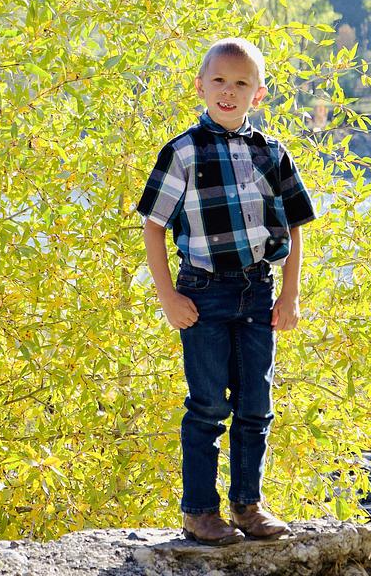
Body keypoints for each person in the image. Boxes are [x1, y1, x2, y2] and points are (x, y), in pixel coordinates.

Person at [137, 37, 315, 546]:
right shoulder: (183, 152)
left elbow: (295, 225)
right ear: (201, 87)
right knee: (208, 405)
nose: (228, 91)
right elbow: (153, 226)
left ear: (258, 94)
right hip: (203, 294)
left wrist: (290, 294)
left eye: (241, 83)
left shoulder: (272, 154)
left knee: (256, 404)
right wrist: (168, 297)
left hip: (258, 291)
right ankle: (198, 512)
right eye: (218, 81)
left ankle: (247, 506)